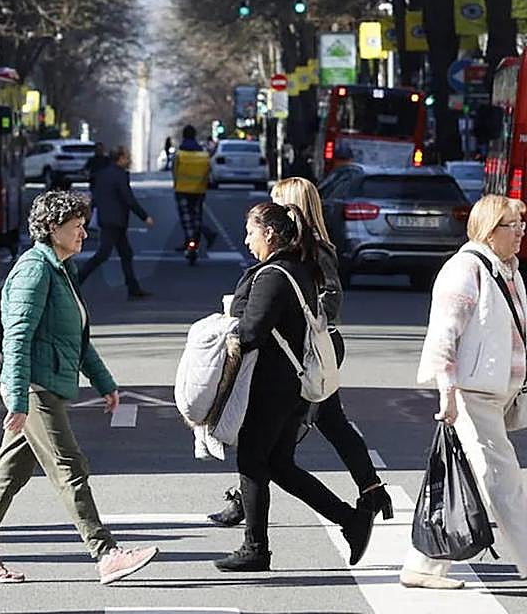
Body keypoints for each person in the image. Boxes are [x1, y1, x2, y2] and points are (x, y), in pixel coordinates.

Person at [0, 190, 160, 584]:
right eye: (77, 227)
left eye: (84, 225)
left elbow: (76, 339)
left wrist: (105, 382)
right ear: (53, 229)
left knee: (9, 471)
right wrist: (16, 399)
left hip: (47, 381)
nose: (85, 234)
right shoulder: (34, 270)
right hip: (35, 387)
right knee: (69, 465)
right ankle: (106, 553)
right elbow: (17, 338)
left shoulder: (62, 268)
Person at [208, 177, 391, 528]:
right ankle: (369, 490)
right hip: (307, 346)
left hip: (312, 346)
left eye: (278, 202)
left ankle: (249, 501)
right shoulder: (302, 248)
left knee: (283, 438)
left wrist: (293, 309)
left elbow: (330, 298)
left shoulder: (313, 250)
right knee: (323, 426)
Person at [400, 194, 527, 590]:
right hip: (471, 395)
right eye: (513, 224)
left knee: (474, 477)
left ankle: (423, 565)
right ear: (490, 231)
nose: (521, 231)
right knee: (503, 480)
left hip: (497, 393)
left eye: (521, 223)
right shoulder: (465, 270)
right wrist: (447, 392)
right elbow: (443, 337)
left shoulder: (507, 270)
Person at [78, 146, 155, 298]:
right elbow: (128, 199)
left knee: (126, 253)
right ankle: (76, 281)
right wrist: (144, 216)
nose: (129, 160)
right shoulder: (119, 175)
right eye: (127, 157)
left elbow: (95, 197)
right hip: (115, 220)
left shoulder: (102, 174)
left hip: (107, 218)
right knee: (102, 254)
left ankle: (133, 288)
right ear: (120, 158)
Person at [172, 124, 217, 259]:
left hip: (182, 190)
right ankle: (194, 242)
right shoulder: (203, 155)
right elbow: (208, 172)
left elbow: (174, 172)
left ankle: (191, 241)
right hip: (199, 191)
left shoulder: (180, 154)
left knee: (187, 219)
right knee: (196, 217)